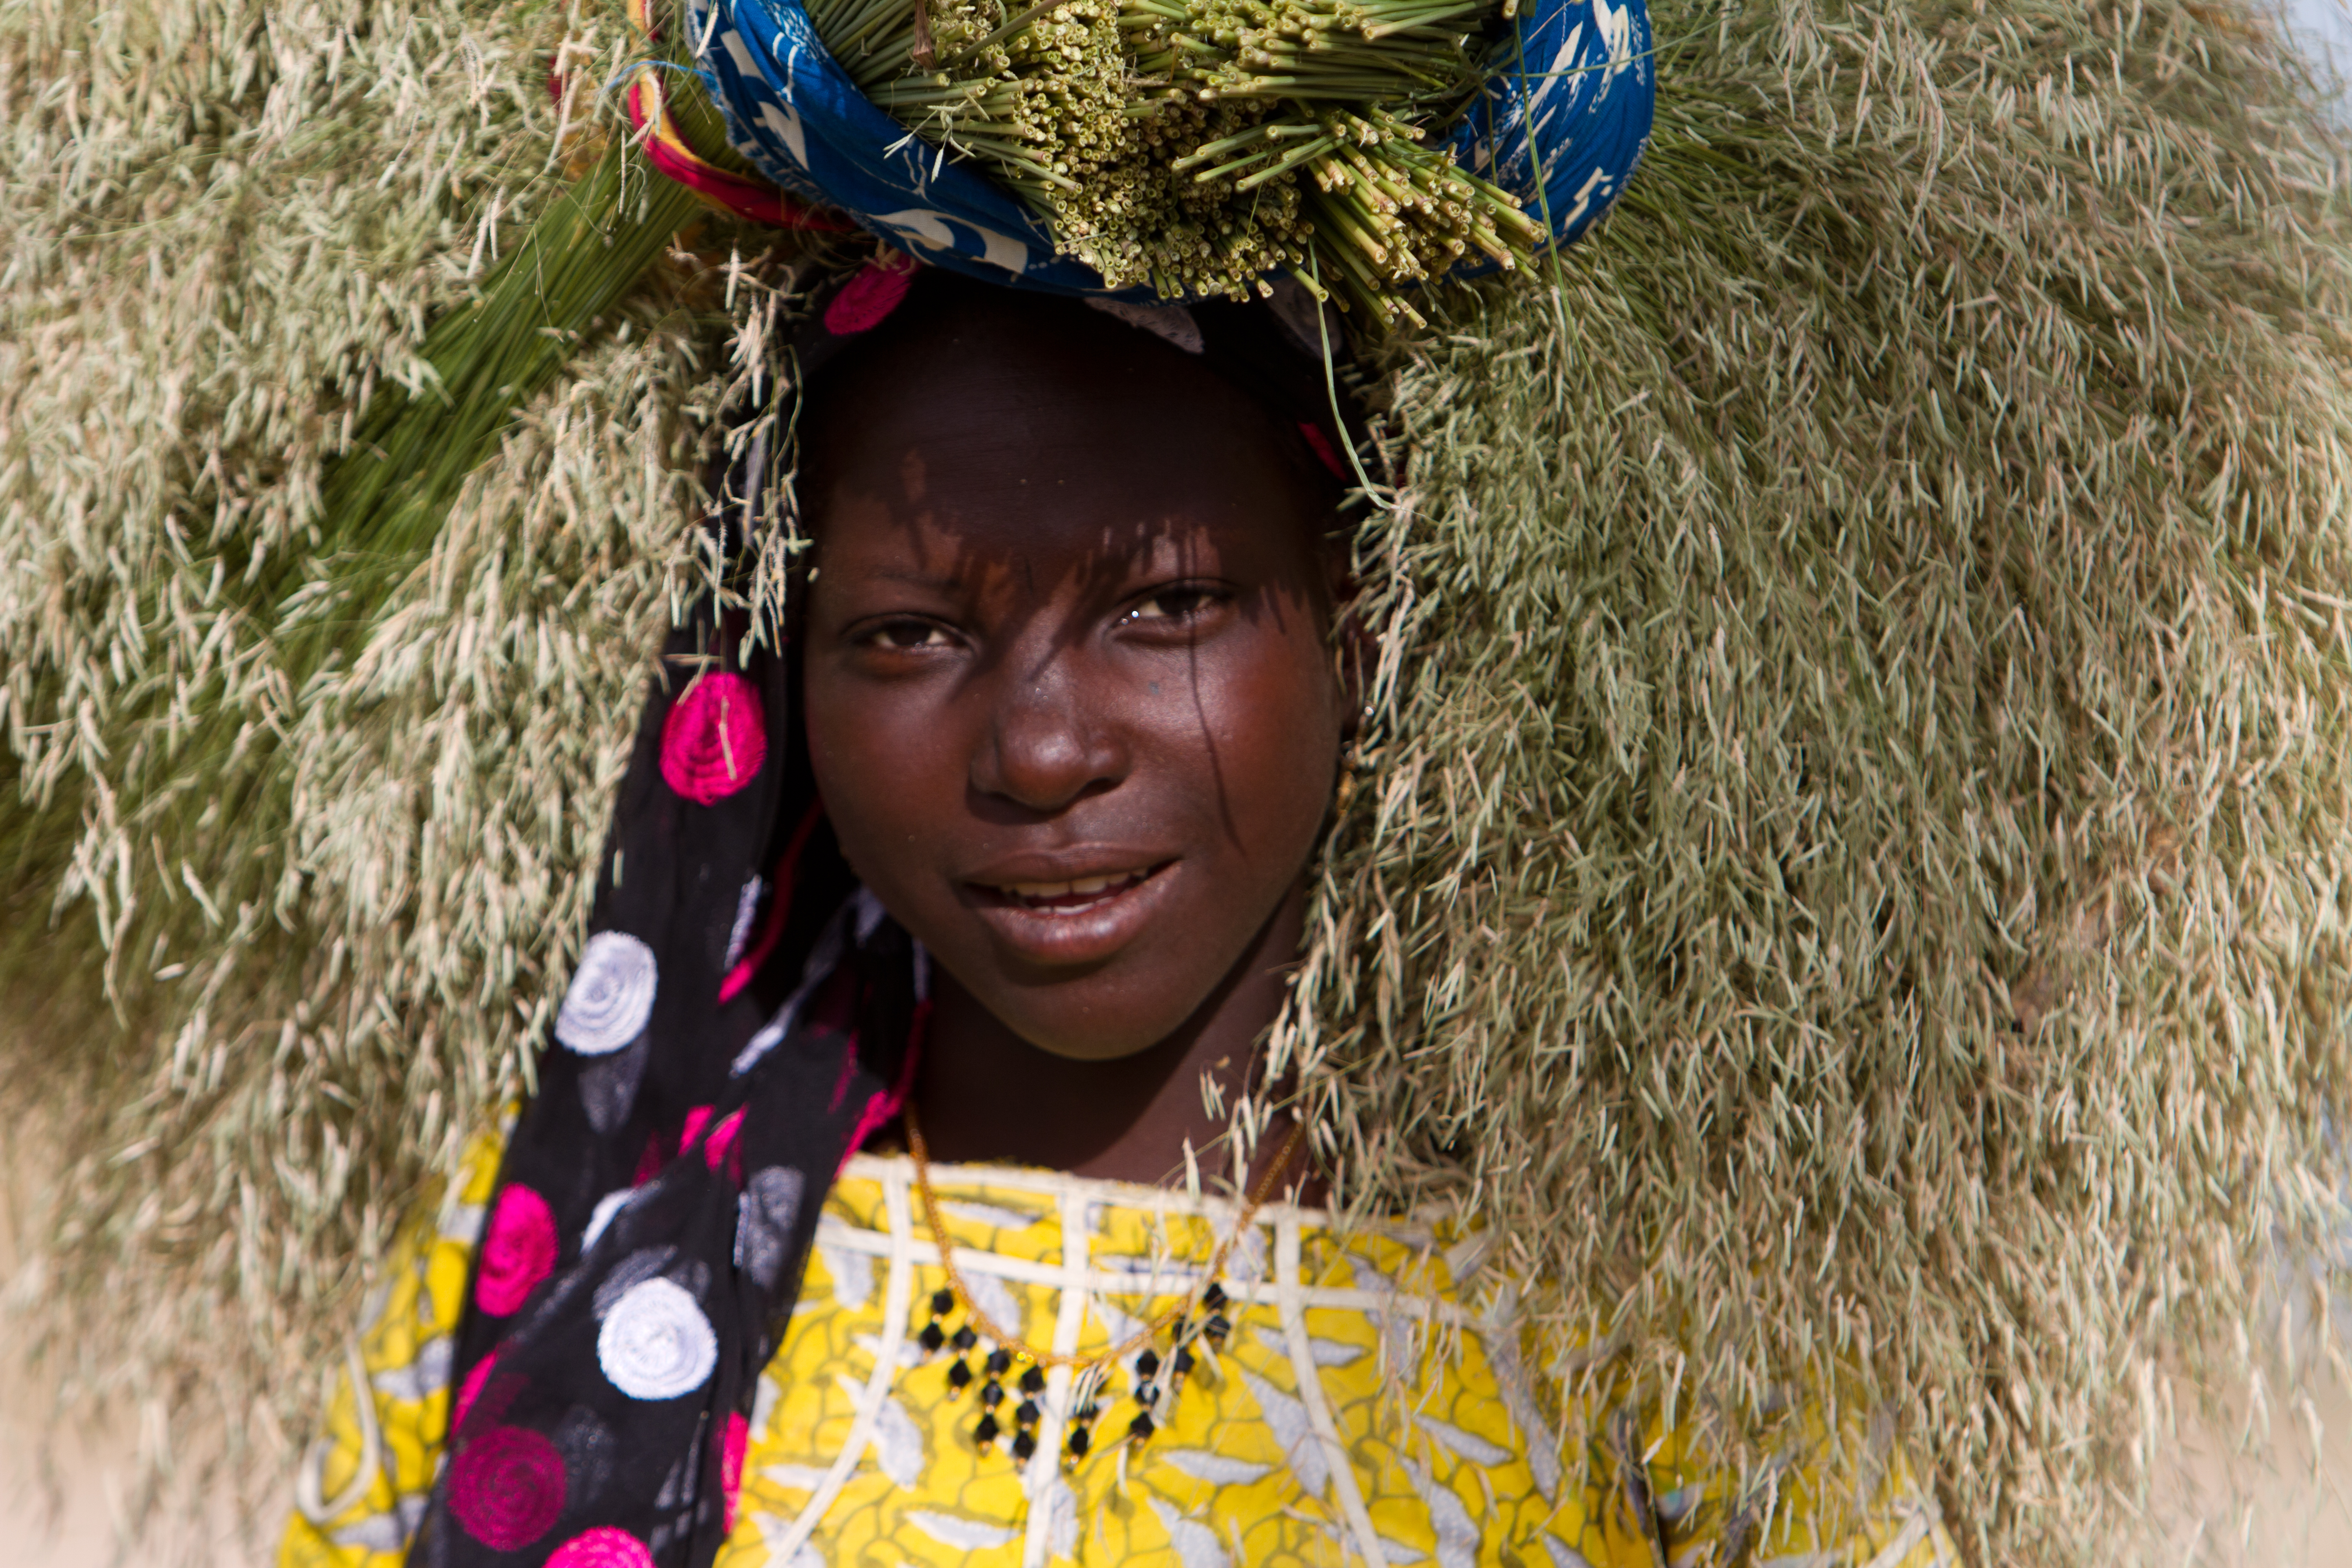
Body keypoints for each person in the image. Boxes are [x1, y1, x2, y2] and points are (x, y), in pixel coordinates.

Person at [278, 265, 1958, 1568]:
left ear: (1359, 623)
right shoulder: (544, 1267)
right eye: (909, 635)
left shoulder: (1656, 1351)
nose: (1042, 747)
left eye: (1167, 605)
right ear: (774, 669)